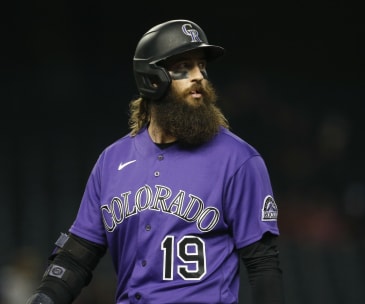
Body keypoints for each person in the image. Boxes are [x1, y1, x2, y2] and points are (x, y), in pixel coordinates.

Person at [25, 19, 284, 304]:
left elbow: (264, 267)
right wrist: (43, 298)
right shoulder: (112, 161)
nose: (198, 76)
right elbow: (76, 259)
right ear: (151, 77)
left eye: (201, 66)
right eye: (183, 67)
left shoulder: (238, 160)